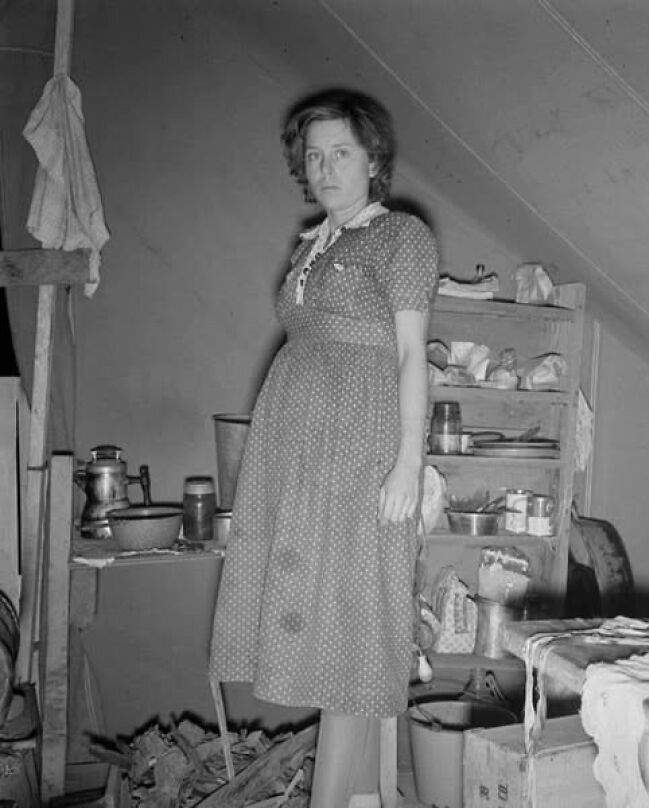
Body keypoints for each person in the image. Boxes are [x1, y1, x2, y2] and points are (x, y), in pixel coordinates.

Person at [209, 87, 439, 807]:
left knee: (358, 626)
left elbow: (410, 355)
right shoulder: (314, 244)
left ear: (374, 161)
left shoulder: (401, 237)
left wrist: (407, 460)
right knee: (339, 623)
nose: (326, 168)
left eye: (342, 152)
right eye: (314, 156)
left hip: (363, 443)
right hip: (301, 449)